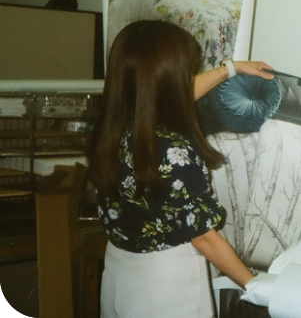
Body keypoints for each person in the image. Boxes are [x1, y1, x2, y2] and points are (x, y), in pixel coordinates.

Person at [87, 20, 274, 318]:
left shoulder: (112, 130)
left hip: (119, 274)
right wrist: (257, 285)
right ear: (167, 78)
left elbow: (168, 98)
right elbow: (204, 237)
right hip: (166, 284)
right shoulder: (173, 151)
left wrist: (230, 69)